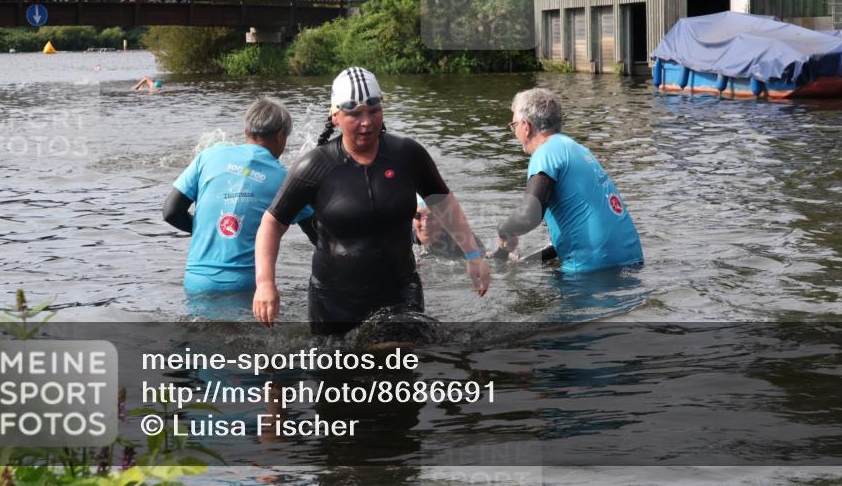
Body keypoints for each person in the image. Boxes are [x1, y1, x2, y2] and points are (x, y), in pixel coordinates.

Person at [252, 67, 490, 333]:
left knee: (400, 364)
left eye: (374, 111)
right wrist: (265, 283)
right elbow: (272, 223)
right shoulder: (315, 165)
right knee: (340, 371)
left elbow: (443, 201)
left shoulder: (407, 155)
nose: (366, 122)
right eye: (354, 114)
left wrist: (472, 254)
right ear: (335, 116)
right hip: (333, 300)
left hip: (400, 292)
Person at [163, 97, 316, 300]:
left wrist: (211, 232)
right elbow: (318, 234)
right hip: (244, 284)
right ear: (281, 136)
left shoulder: (207, 157)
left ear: (246, 131)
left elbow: (171, 212)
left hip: (197, 280)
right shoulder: (285, 179)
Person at [496, 88, 643, 273]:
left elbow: (529, 216)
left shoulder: (545, 153)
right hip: (631, 262)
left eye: (513, 125)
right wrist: (524, 262)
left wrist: (503, 230)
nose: (514, 131)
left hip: (591, 271)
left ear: (526, 126)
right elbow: (574, 232)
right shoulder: (577, 150)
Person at [413, 195, 485, 259]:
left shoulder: (460, 235)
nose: (425, 224)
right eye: (417, 216)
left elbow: (481, 257)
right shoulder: (405, 238)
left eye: (432, 217)